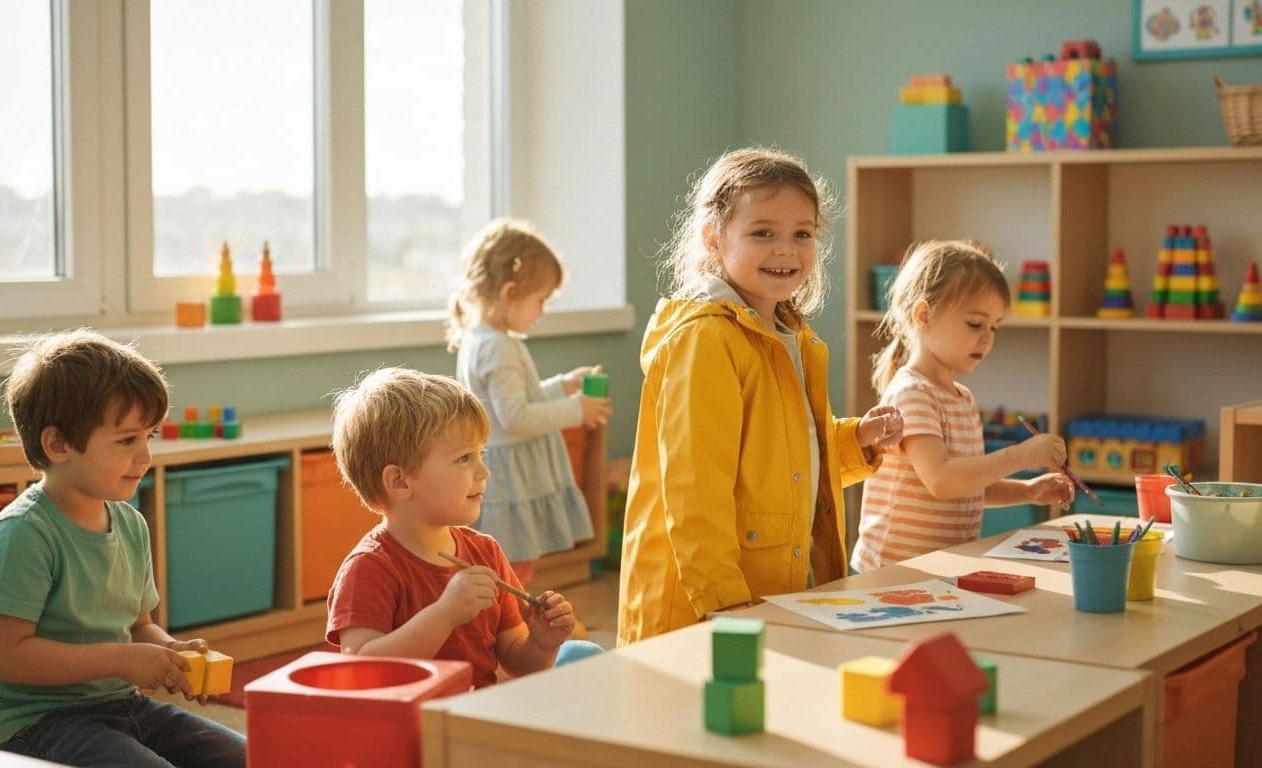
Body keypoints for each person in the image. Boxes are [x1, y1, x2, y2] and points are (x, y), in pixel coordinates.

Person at [617, 147, 904, 646]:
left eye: (802, 234)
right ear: (714, 238)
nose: (786, 250)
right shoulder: (706, 340)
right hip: (704, 606)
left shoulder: (790, 335)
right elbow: (695, 489)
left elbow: (789, 462)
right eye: (763, 233)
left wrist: (855, 438)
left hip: (770, 590)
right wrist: (726, 604)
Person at [0, 329, 245, 767]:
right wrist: (121, 660)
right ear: (58, 445)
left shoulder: (130, 524)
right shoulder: (22, 534)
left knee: (254, 755)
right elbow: (9, 657)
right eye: (127, 440)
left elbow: (139, 627)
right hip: (35, 724)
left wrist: (170, 654)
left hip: (121, 705)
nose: (146, 456)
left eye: (149, 436)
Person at [326, 367, 597, 688]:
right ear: (399, 481)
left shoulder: (486, 552)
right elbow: (362, 671)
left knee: (584, 654)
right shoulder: (369, 568)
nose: (484, 472)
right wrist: (445, 614)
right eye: (463, 458)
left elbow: (519, 663)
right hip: (413, 728)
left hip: (476, 717)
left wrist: (541, 643)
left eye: (480, 453)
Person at [850, 240, 1074, 572]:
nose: (987, 337)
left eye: (994, 326)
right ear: (924, 315)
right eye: (975, 323)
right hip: (892, 569)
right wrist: (1021, 456)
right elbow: (942, 480)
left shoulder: (962, 399)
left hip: (935, 567)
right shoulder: (912, 393)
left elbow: (967, 486)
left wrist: (1028, 491)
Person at [446, 217, 611, 585]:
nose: (542, 310)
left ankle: (507, 624)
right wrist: (575, 411)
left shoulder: (483, 338)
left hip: (505, 469)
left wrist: (563, 386)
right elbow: (516, 418)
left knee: (509, 563)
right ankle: (509, 626)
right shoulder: (499, 347)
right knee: (512, 565)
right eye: (540, 300)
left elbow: (517, 400)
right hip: (509, 478)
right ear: (508, 294)